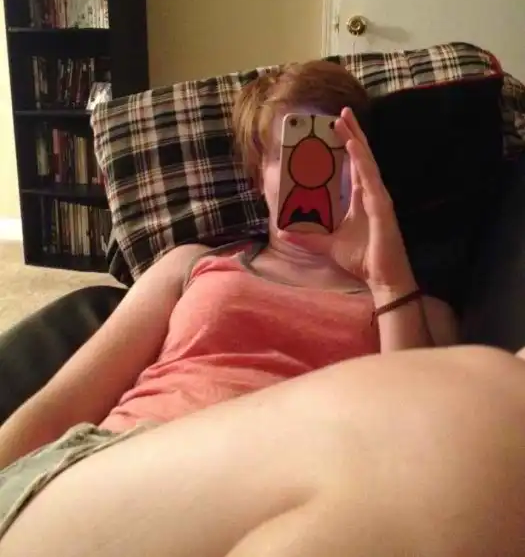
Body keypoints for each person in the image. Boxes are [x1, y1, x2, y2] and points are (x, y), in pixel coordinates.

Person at [3, 61, 524, 555]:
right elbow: (62, 405)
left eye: (335, 150)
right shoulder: (192, 265)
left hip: (305, 510)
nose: (314, 167)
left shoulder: (417, 308)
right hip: (116, 473)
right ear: (258, 177)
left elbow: (412, 451)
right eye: (290, 151)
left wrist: (387, 279)